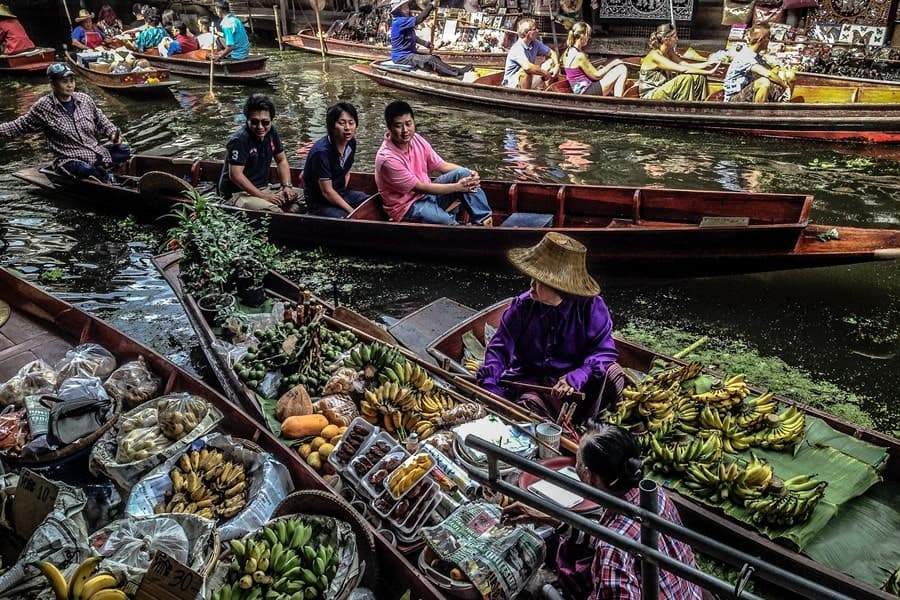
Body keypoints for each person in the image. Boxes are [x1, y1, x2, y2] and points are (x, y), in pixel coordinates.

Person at [501, 425, 703, 600]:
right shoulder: (652, 492)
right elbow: (603, 535)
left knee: (567, 561)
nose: (575, 465)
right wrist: (544, 517)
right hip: (687, 592)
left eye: (578, 462)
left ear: (589, 474)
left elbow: (612, 544)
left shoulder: (612, 550)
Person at [476, 232, 619, 424]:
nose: (531, 284)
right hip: (534, 381)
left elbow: (604, 350)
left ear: (559, 287)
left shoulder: (591, 307)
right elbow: (499, 348)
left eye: (539, 281)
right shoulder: (523, 307)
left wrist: (579, 374)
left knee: (614, 374)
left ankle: (594, 420)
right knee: (530, 404)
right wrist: (490, 384)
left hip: (576, 384)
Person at [0, 63, 130, 180]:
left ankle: (101, 169)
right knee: (85, 169)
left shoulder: (84, 99)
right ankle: (104, 176)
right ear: (52, 84)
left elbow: (102, 121)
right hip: (69, 159)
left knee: (124, 149)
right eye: (64, 81)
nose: (70, 85)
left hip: (93, 152)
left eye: (72, 81)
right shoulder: (43, 106)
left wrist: (112, 133)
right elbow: (20, 125)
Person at [374, 100, 492, 226]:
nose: (405, 130)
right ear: (389, 127)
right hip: (407, 207)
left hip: (427, 195)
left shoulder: (416, 140)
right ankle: (461, 228)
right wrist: (457, 187)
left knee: (464, 173)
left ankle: (484, 221)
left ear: (413, 122)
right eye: (398, 126)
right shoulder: (387, 158)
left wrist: (471, 174)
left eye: (408, 124)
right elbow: (420, 187)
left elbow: (442, 166)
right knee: (446, 222)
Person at [218, 94, 298, 212]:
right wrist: (264, 196)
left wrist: (287, 186)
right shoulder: (239, 140)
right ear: (247, 120)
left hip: (263, 188)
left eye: (265, 122)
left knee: (306, 197)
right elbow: (235, 175)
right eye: (254, 122)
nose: (260, 127)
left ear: (271, 120)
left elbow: (281, 160)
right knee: (275, 212)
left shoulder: (271, 132)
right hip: (238, 193)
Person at [302, 102, 369, 218]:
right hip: (319, 202)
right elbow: (327, 191)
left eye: (351, 123)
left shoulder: (351, 143)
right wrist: (351, 211)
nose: (347, 128)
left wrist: (342, 193)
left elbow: (347, 170)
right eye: (341, 123)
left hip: (340, 193)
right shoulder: (321, 152)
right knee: (344, 217)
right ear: (332, 126)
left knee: (367, 200)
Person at [639, 23, 721, 101]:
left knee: (699, 77)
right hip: (651, 95)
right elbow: (683, 69)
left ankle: (698, 105)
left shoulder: (669, 51)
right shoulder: (655, 55)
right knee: (685, 79)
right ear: (666, 39)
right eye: (674, 37)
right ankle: (684, 108)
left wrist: (707, 64)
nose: (677, 39)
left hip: (664, 88)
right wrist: (708, 72)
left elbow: (685, 65)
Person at [389, 0, 471, 78]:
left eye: (407, 6)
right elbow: (419, 19)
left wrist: (426, 44)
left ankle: (450, 71)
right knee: (430, 59)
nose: (408, 9)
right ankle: (457, 73)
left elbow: (413, 37)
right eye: (405, 7)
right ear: (399, 10)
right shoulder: (399, 22)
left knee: (435, 58)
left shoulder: (403, 22)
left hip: (409, 54)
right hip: (402, 57)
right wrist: (431, 5)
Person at [723, 25, 794, 103]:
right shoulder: (745, 56)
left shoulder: (756, 56)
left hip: (747, 93)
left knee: (789, 75)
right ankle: (757, 112)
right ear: (761, 40)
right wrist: (785, 86)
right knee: (764, 82)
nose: (769, 41)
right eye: (768, 38)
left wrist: (782, 73)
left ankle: (783, 105)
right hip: (733, 99)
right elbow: (768, 74)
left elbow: (771, 71)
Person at [563, 22, 627, 97]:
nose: (588, 38)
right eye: (588, 35)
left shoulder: (566, 52)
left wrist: (598, 69)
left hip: (580, 90)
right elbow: (597, 76)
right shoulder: (579, 56)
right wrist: (613, 63)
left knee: (607, 71)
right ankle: (618, 102)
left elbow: (578, 73)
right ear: (582, 36)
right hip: (587, 91)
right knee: (622, 69)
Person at [502, 17, 559, 89]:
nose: (537, 31)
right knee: (526, 71)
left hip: (529, 79)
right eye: (534, 29)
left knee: (552, 62)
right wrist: (544, 73)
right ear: (527, 33)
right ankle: (526, 96)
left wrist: (557, 65)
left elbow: (551, 52)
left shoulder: (534, 43)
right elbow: (527, 67)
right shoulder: (517, 48)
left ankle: (546, 88)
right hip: (512, 84)